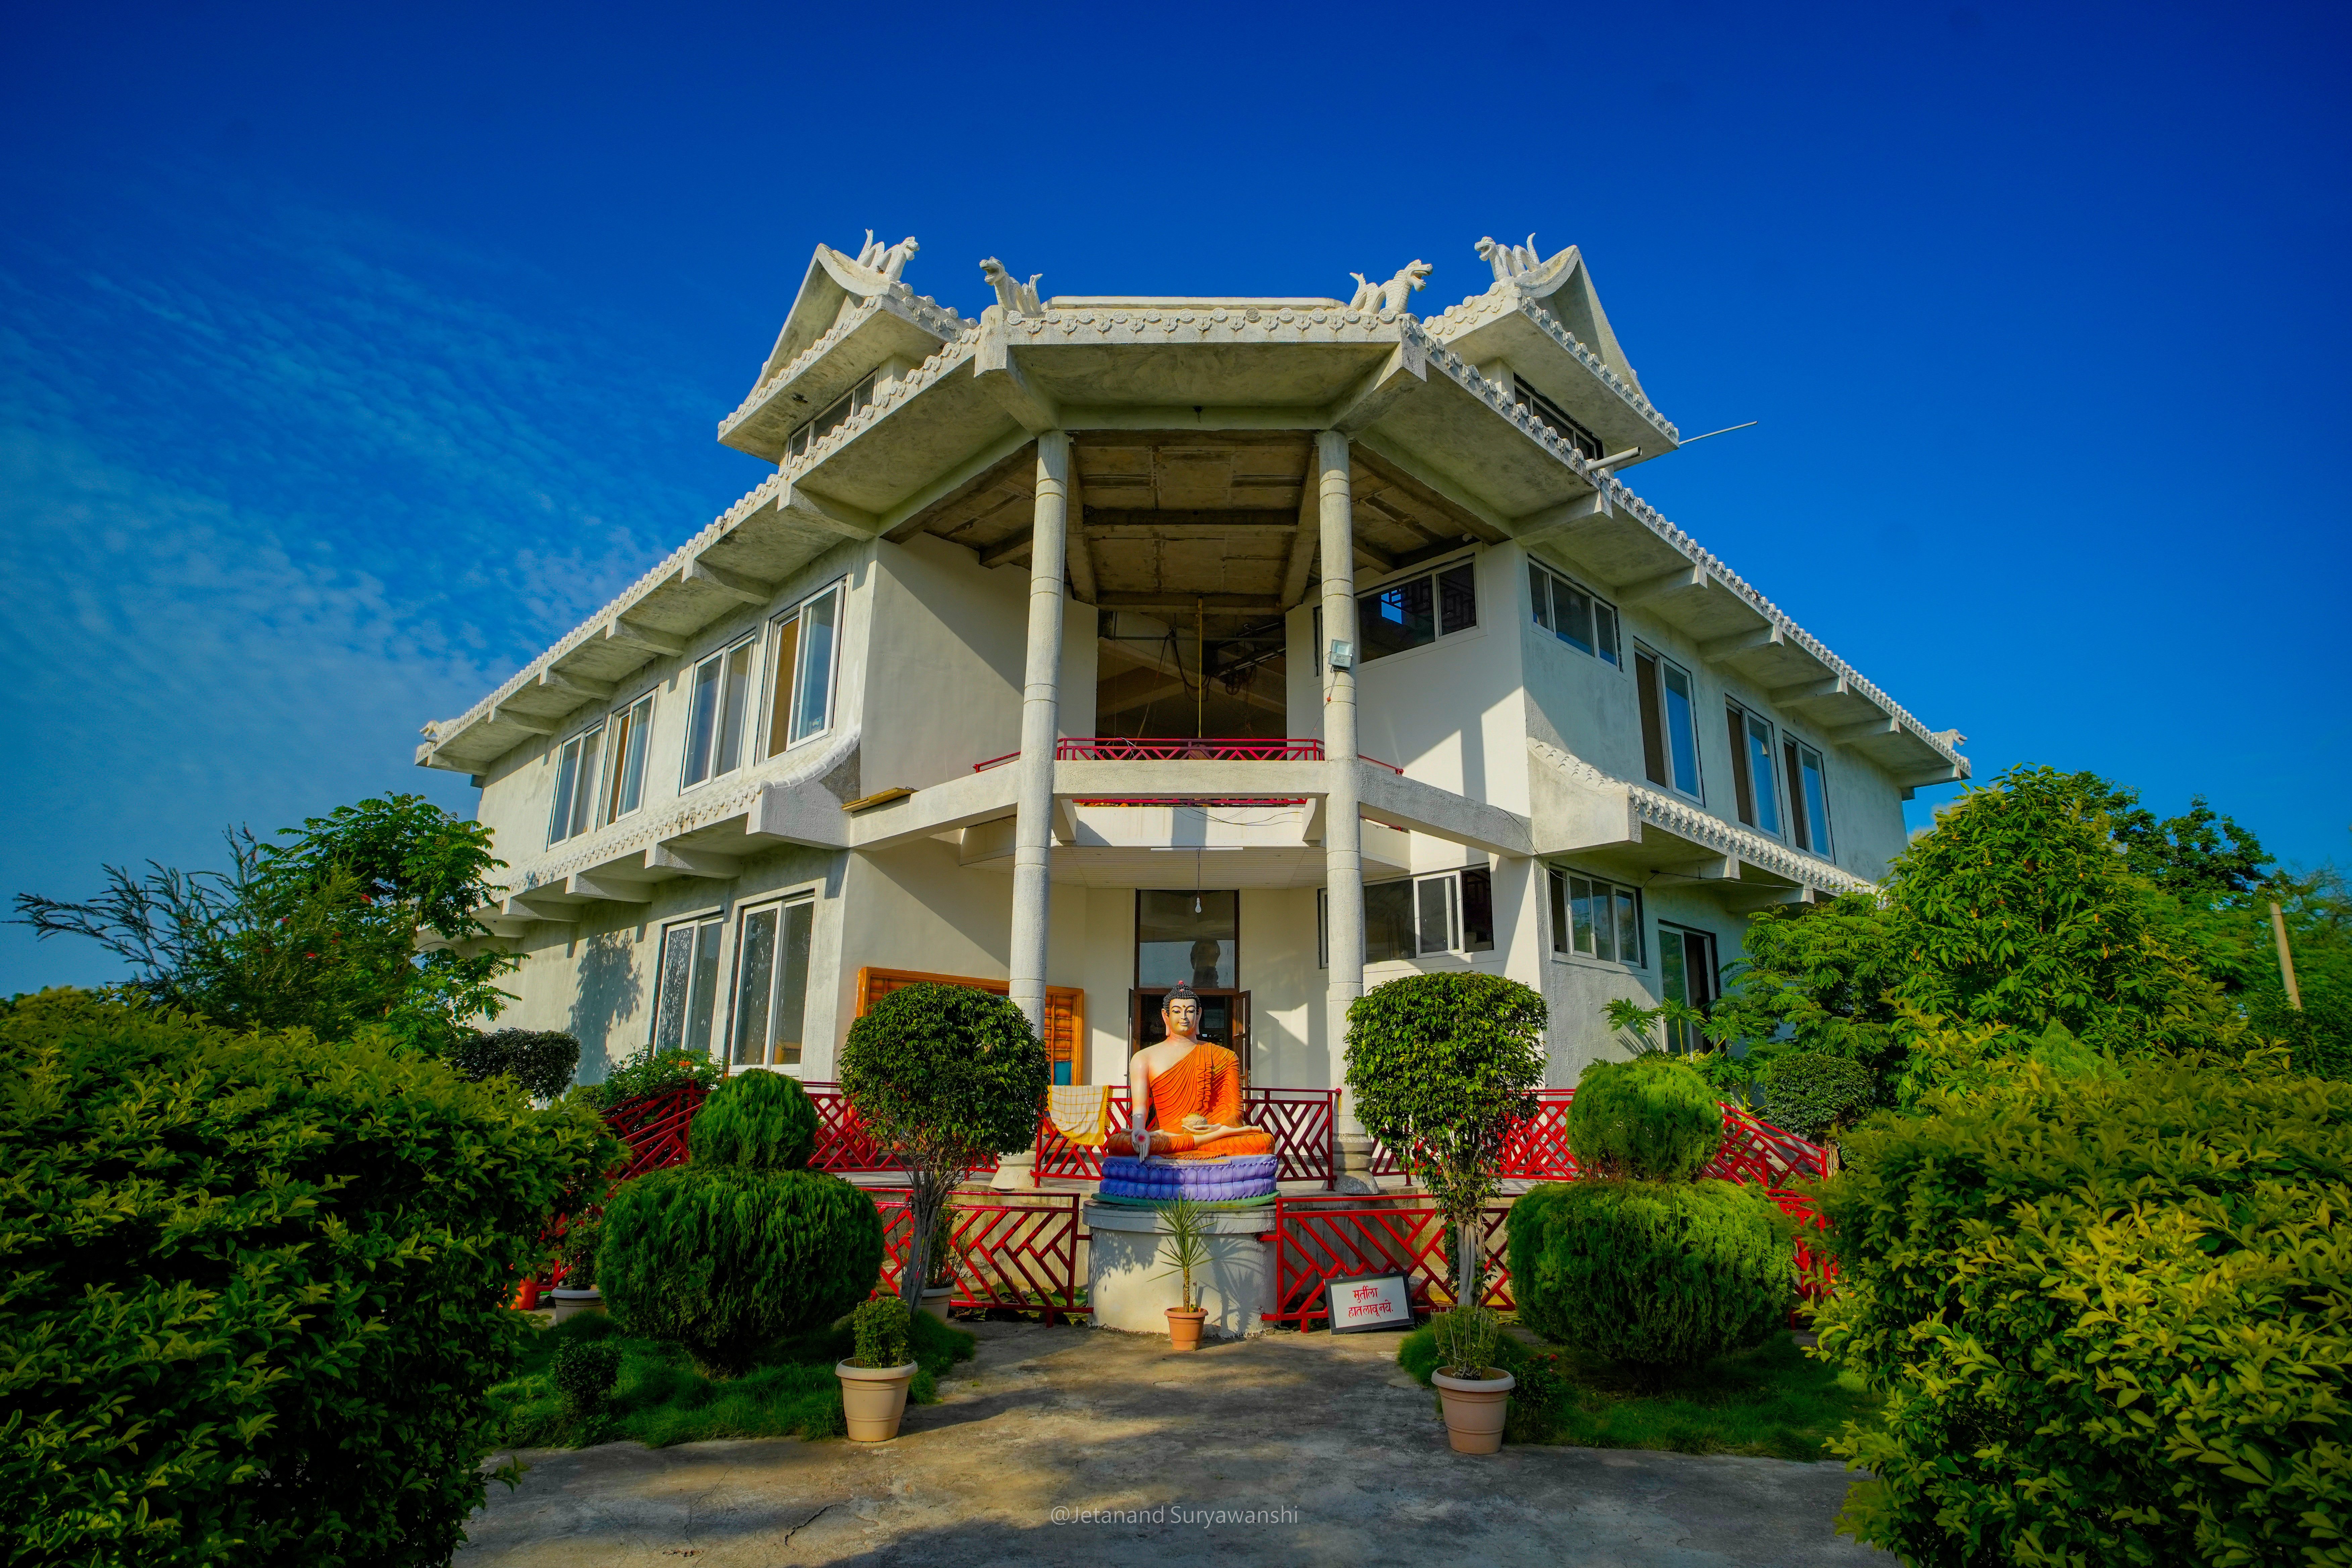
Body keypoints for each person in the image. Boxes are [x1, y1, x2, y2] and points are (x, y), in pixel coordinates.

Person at [1106, 983, 1272, 1160]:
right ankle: (1185, 1141)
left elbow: (1236, 1112)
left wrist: (1218, 1128)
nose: (1184, 1018)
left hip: (1211, 1136)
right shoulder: (1144, 1058)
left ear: (1199, 1014)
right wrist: (1140, 1131)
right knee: (1120, 1143)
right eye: (1177, 1012)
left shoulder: (1225, 1056)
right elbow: (1140, 1108)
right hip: (1166, 1136)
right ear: (1166, 1015)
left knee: (1262, 1142)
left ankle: (1194, 1141)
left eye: (1190, 1011)